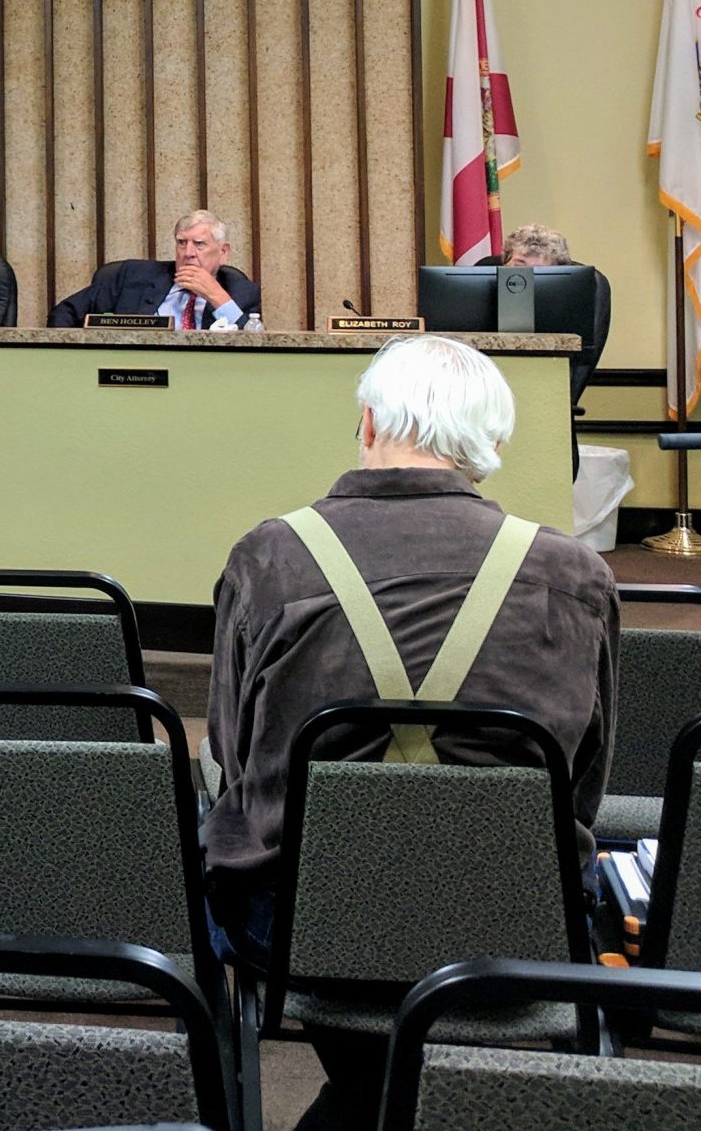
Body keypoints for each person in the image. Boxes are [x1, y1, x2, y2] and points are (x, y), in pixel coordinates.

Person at [203, 334, 616, 1131]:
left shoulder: (271, 556)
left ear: (366, 422)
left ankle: (370, 1100)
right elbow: (585, 779)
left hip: (296, 926)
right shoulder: (575, 574)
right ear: (491, 443)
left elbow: (231, 748)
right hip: (513, 921)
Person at [50, 209, 261, 328]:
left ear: (223, 252)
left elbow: (258, 350)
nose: (188, 253)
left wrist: (217, 297)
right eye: (181, 243)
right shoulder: (132, 277)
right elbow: (64, 312)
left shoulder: (242, 292)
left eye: (199, 244)